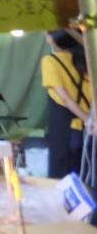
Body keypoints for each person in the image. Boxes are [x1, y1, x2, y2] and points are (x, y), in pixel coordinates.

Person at [41, 29, 92, 178]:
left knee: (64, 178)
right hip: (87, 132)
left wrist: (87, 120)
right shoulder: (86, 59)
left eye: (47, 33)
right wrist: (90, 121)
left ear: (53, 39)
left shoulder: (50, 61)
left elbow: (65, 99)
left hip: (66, 131)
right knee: (86, 177)